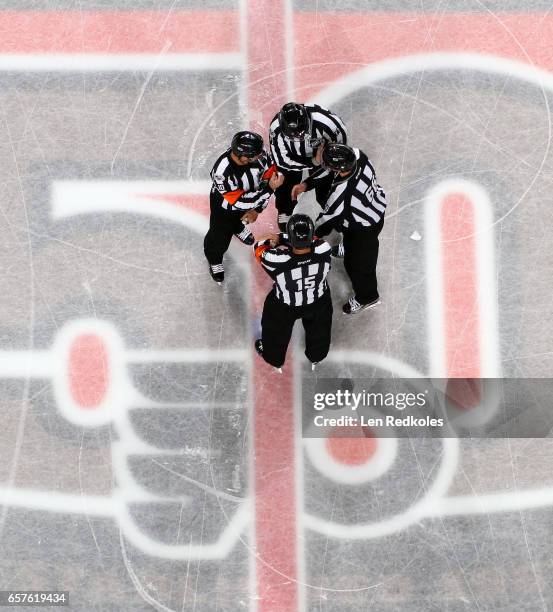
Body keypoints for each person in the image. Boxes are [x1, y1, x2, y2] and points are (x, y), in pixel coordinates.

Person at [292, 143, 386, 315]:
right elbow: (329, 171)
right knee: (354, 246)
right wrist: (307, 184)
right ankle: (350, 247)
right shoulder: (359, 156)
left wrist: (305, 238)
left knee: (358, 265)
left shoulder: (342, 198)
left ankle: (367, 297)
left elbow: (325, 222)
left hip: (363, 229)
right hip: (374, 207)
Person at [253, 214, 333, 372]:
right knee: (320, 330)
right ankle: (316, 356)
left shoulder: (275, 260)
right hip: (318, 300)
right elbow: (315, 240)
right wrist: (285, 238)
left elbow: (258, 248)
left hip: (285, 305)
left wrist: (277, 238)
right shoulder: (324, 249)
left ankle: (274, 359)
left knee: (274, 331)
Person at [204, 131, 284, 284]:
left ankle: (237, 227)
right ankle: (214, 260)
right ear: (242, 156)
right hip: (225, 208)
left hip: (250, 201)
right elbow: (238, 202)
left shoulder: (259, 154)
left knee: (240, 220)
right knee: (218, 238)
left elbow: (269, 179)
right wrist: (268, 192)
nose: (260, 157)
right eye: (254, 156)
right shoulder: (222, 172)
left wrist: (257, 209)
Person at [269, 102, 347, 231]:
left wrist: (322, 162)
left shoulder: (331, 125)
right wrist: (312, 162)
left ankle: (330, 213)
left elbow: (339, 158)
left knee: (325, 187)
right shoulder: (276, 128)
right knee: (283, 180)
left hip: (322, 155)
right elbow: (282, 161)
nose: (297, 138)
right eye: (291, 136)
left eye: (301, 133)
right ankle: (284, 209)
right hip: (296, 156)